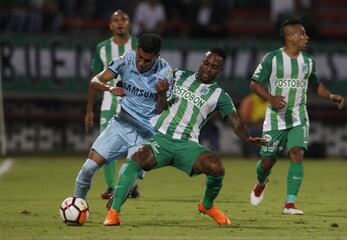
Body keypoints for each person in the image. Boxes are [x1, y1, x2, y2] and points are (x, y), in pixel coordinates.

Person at [103, 47, 268, 226]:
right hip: (160, 138)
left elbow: (235, 121)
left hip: (187, 144)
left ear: (220, 70)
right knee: (137, 158)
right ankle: (114, 212)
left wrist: (247, 138)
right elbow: (159, 105)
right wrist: (159, 93)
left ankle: (207, 205)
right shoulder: (178, 75)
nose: (208, 68)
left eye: (214, 66)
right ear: (201, 62)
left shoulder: (220, 95)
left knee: (216, 167)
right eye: (206, 63)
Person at [249, 19, 344, 215]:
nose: (306, 37)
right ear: (290, 37)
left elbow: (315, 85)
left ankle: (289, 204)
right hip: (275, 118)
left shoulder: (308, 61)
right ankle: (261, 182)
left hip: (299, 116)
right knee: (267, 161)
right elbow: (254, 83)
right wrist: (271, 97)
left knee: (297, 153)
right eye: (302, 33)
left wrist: (331, 96)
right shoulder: (272, 59)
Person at [74, 33, 174, 203]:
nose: (141, 63)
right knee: (88, 168)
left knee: (124, 179)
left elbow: (161, 109)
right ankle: (77, 204)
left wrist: (162, 94)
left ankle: (117, 205)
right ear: (137, 50)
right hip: (122, 124)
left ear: (157, 57)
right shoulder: (126, 60)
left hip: (147, 134)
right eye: (139, 57)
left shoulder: (166, 71)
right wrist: (109, 88)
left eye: (147, 60)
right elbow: (95, 81)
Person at [85, 10, 140, 200]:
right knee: (107, 146)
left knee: (136, 145)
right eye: (116, 20)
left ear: (129, 24)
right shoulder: (102, 48)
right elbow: (94, 80)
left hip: (136, 103)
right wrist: (89, 111)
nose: (120, 23)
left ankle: (131, 186)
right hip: (109, 102)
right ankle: (111, 187)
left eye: (123, 20)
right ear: (110, 25)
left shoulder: (138, 45)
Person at [239, 93, 268, 157]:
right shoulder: (250, 100)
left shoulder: (272, 101)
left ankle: (273, 154)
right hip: (253, 126)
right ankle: (254, 154)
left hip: (270, 126)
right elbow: (245, 118)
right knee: (259, 129)